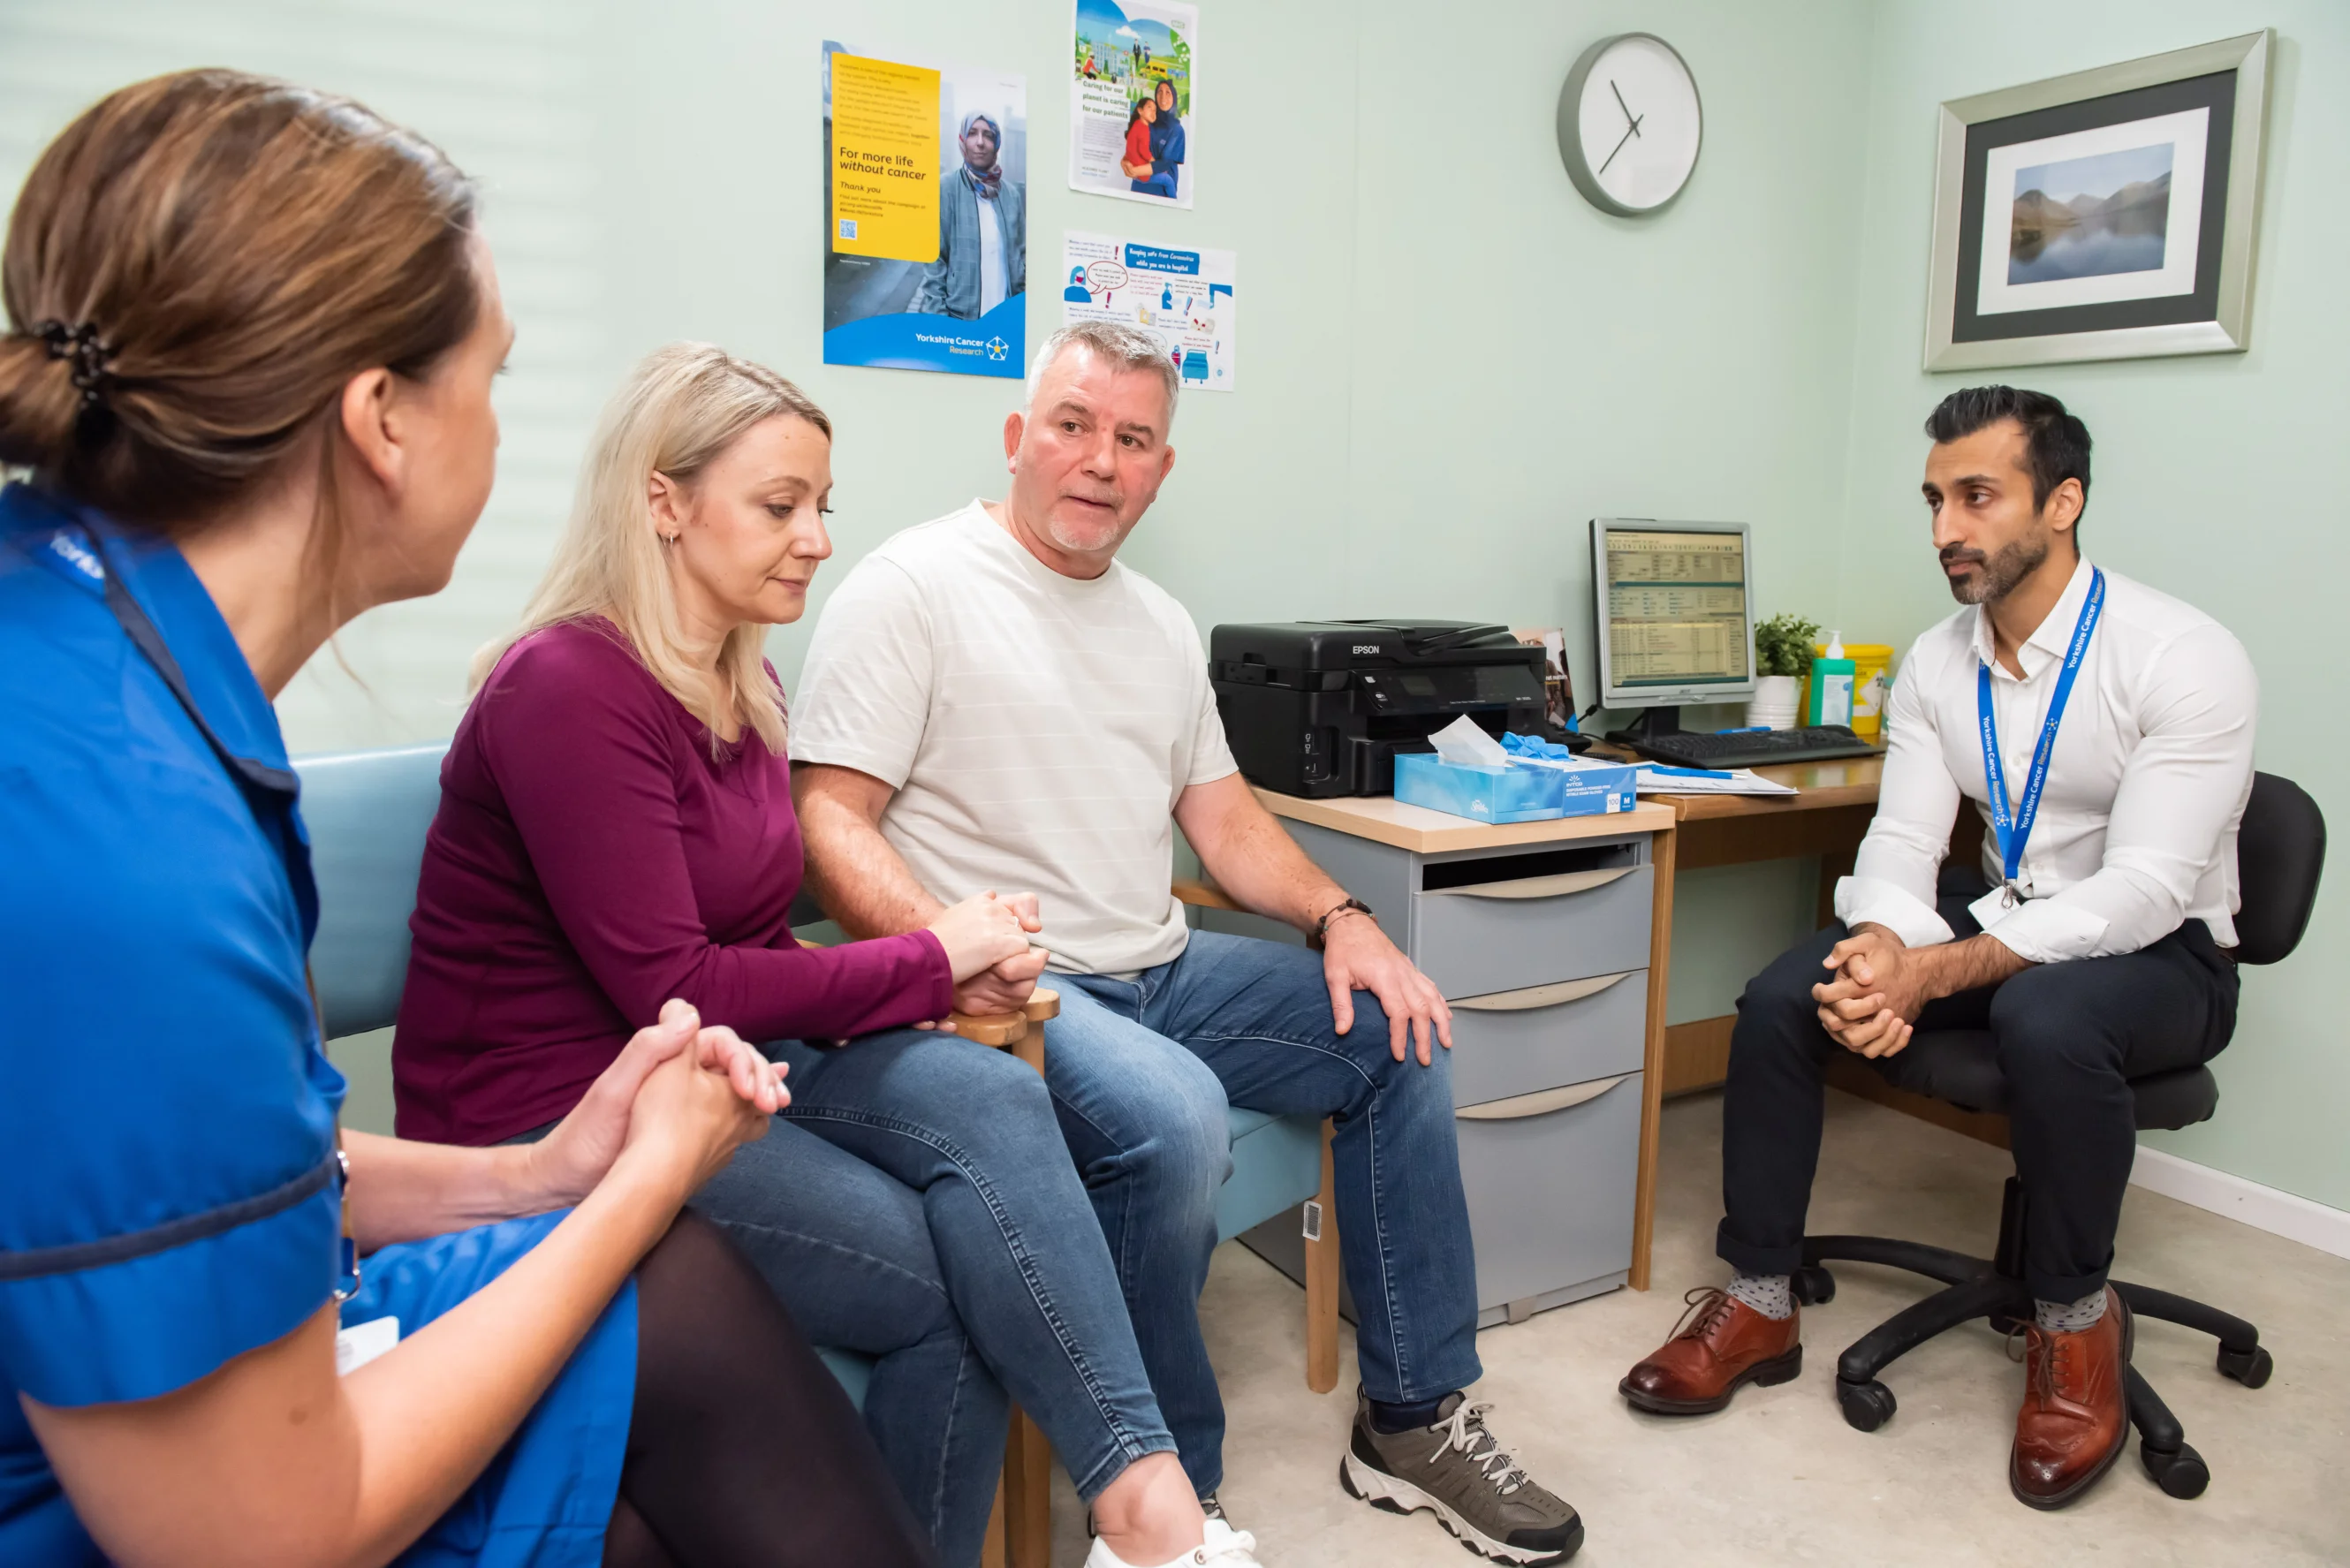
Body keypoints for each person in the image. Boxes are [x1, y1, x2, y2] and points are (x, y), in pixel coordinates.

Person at [0, 70, 931, 1568]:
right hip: (153, 1509)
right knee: (666, 1300)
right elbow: (260, 1537)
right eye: (492, 378)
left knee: (663, 1398)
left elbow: (235, 1156)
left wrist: (542, 1175)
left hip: (235, 1326)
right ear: (382, 420)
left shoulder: (91, 646)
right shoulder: (129, 859)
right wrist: (626, 1194)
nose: (501, 431)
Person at [392, 342, 1252, 1568]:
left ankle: (1144, 1504)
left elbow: (748, 941)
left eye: (821, 507)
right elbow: (677, 981)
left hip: (719, 1061)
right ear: (666, 501)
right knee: (951, 1276)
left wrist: (937, 982)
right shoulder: (568, 687)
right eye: (780, 507)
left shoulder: (740, 677)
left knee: (999, 1091)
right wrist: (928, 954)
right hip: (566, 1109)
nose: (815, 538)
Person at [790, 321, 1588, 1566]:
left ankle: (1413, 1418)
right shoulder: (911, 587)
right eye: (1072, 425)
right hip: (1021, 990)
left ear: (1161, 468)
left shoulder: (1160, 623)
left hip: (1161, 965)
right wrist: (941, 948)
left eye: (1133, 438)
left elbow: (1221, 820)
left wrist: (1346, 918)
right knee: (1176, 1120)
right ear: (1015, 437)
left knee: (1399, 1029)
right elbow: (827, 817)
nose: (1099, 460)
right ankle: (1174, 1499)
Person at [1619, 387, 2255, 1511]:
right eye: (1931, 499)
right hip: (2010, 905)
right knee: (1784, 992)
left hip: (2164, 951)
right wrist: (1876, 949)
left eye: (1974, 497)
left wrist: (1939, 967)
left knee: (2043, 1015)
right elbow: (1906, 841)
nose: (1942, 531)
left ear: (2061, 502)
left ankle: (2073, 1321)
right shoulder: (1934, 661)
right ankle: (1760, 1294)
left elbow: (2142, 887)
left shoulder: (2180, 654)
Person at [914, 111, 1024, 322]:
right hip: (959, 321)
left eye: (988, 135)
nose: (980, 142)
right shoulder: (946, 187)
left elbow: (1023, 257)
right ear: (963, 140)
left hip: (1003, 321)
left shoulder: (1011, 196)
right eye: (973, 133)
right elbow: (934, 259)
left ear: (997, 143)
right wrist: (940, 322)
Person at [1131, 80, 1185, 199]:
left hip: (1162, 191)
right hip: (1139, 187)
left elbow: (1164, 163)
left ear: (1174, 98)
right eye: (1159, 92)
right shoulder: (1146, 122)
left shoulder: (1177, 130)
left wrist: (1137, 171)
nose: (1163, 96)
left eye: (1168, 93)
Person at [1120, 97, 1166, 193]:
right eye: (1150, 108)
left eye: (1155, 110)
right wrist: (1156, 165)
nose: (1153, 112)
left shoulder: (1137, 124)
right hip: (1141, 172)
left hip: (1135, 168)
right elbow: (1143, 151)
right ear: (1140, 111)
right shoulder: (1143, 128)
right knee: (1168, 181)